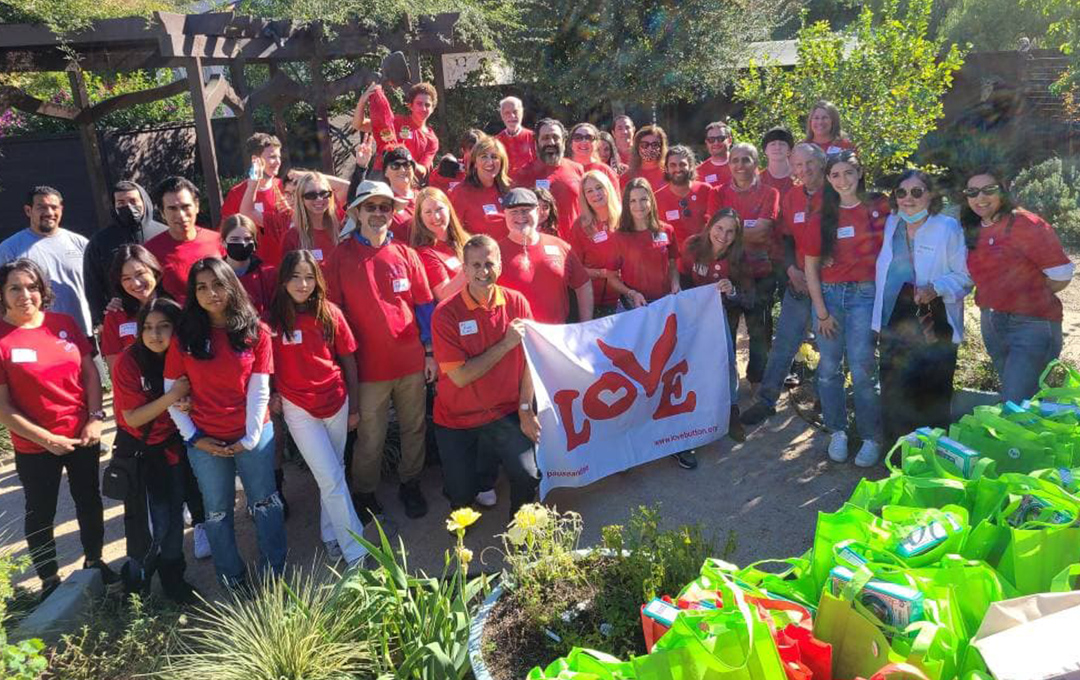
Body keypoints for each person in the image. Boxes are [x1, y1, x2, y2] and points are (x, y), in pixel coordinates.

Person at [164, 257, 285, 588]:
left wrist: (249, 439)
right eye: (201, 287)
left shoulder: (256, 331)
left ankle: (275, 570)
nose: (211, 293)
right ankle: (232, 577)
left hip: (253, 434)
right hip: (206, 439)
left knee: (264, 503)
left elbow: (260, 391)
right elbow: (171, 392)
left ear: (231, 285)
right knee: (217, 512)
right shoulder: (185, 337)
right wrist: (194, 439)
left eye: (218, 284)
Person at [0, 259, 112, 599]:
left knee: (89, 501)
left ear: (42, 290)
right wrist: (46, 439)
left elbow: (90, 373)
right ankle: (49, 580)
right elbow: (3, 408)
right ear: (2, 294)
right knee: (40, 511)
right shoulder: (2, 340)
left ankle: (94, 561)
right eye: (15, 288)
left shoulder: (62, 323)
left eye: (32, 287)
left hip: (82, 435)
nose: (25, 295)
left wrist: (95, 417)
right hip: (36, 445)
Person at [326, 180, 435, 521]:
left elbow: (424, 306)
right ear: (356, 212)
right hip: (368, 368)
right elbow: (332, 315)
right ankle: (364, 491)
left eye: (384, 207)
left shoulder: (406, 254)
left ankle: (410, 483)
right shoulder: (339, 257)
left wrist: (430, 351)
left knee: (413, 428)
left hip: (411, 362)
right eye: (370, 207)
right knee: (370, 436)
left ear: (392, 213)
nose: (377, 213)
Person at [267, 250, 368, 566]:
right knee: (331, 478)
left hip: (336, 402)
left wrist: (354, 407)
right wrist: (271, 394)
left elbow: (349, 360)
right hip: (298, 408)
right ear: (284, 279)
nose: (302, 283)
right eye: (295, 276)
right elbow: (263, 364)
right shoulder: (273, 320)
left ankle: (330, 534)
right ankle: (357, 550)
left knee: (333, 473)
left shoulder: (330, 313)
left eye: (309, 277)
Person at [432, 234, 541, 517]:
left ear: (501, 265)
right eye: (476, 265)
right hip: (457, 420)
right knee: (461, 496)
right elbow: (460, 377)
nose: (483, 271)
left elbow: (530, 360)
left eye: (489, 263)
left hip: (503, 413)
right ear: (464, 270)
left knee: (528, 476)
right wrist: (506, 344)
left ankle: (522, 533)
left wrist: (526, 408)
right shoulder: (446, 314)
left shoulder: (517, 302)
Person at [872, 170, 972, 445]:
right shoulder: (891, 223)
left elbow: (965, 277)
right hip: (895, 316)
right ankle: (897, 453)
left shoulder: (947, 227)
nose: (908, 198)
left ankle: (932, 455)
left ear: (930, 195)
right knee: (894, 386)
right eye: (901, 192)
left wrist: (936, 288)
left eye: (917, 192)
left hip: (933, 316)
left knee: (932, 389)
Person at [111, 297, 199, 603]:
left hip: (176, 450)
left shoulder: (184, 356)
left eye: (164, 327)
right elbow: (132, 417)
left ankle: (174, 580)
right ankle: (137, 586)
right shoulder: (128, 361)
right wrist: (174, 395)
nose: (155, 334)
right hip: (143, 456)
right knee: (149, 525)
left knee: (175, 518)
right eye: (147, 327)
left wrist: (188, 401)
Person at [803, 150, 887, 466]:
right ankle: (837, 430)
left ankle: (869, 437)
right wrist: (821, 311)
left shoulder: (878, 207)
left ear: (859, 172)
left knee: (863, 366)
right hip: (829, 296)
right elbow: (811, 267)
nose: (843, 180)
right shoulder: (821, 215)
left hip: (865, 295)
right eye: (835, 174)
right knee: (828, 367)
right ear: (828, 179)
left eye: (848, 172)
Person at [961, 168, 1074, 402]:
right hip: (992, 323)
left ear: (1002, 191)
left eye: (988, 190)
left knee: (1016, 400)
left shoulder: (1026, 224)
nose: (980, 198)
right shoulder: (972, 230)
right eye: (972, 192)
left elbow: (1061, 274)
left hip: (1031, 325)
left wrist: (1027, 295)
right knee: (1022, 401)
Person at [741, 143, 827, 426]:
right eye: (799, 165)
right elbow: (784, 239)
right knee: (783, 345)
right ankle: (766, 401)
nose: (804, 170)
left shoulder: (837, 194)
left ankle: (826, 403)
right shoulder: (791, 197)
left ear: (822, 163)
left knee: (830, 349)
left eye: (810, 163)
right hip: (799, 284)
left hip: (831, 288)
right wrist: (791, 269)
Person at [707, 143, 781, 394]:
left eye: (746, 160)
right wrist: (743, 233)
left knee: (759, 331)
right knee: (724, 333)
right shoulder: (716, 193)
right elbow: (714, 232)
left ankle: (757, 381)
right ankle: (727, 384)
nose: (740, 165)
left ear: (755, 163)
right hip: (726, 274)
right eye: (735, 160)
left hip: (760, 273)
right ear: (729, 165)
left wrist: (730, 232)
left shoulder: (770, 193)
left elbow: (763, 231)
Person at [678, 207, 751, 450]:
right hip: (692, 316)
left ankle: (731, 411)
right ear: (710, 226)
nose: (723, 235)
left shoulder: (739, 258)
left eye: (730, 232)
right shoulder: (693, 246)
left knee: (728, 362)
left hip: (722, 318)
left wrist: (731, 291)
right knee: (691, 364)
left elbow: (747, 297)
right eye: (720, 228)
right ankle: (694, 413)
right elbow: (679, 276)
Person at [0, 187, 92, 338]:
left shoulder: (80, 244)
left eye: (54, 207)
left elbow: (98, 285)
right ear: (28, 211)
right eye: (41, 207)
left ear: (61, 209)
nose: (49, 212)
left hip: (82, 333)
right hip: (35, 336)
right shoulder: (9, 249)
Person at [496, 188, 593, 323]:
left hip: (555, 337)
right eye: (514, 212)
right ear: (505, 214)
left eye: (525, 210)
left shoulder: (561, 247)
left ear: (537, 211)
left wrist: (585, 323)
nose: (520, 216)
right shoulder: (493, 253)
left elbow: (583, 284)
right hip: (514, 339)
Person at [83, 181, 168, 326]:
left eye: (133, 201)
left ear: (144, 201)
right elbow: (93, 286)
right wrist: (103, 319)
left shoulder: (165, 234)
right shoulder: (101, 241)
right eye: (121, 202)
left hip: (166, 311)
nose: (127, 206)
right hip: (124, 318)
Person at [145, 177, 223, 303]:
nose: (181, 215)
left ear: (197, 206)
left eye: (185, 206)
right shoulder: (150, 251)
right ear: (162, 212)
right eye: (172, 209)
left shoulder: (217, 240)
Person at [605, 178, 679, 309]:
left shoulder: (667, 230)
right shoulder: (618, 237)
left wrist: (675, 283)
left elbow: (673, 265)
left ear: (651, 200)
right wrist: (632, 294)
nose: (639, 206)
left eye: (643, 199)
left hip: (665, 302)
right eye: (633, 201)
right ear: (626, 204)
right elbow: (611, 278)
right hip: (634, 304)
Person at [512, 118, 585, 239]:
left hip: (574, 245)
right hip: (539, 247)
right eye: (545, 138)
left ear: (564, 140)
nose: (551, 142)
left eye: (555, 137)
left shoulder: (577, 169)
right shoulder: (522, 175)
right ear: (536, 142)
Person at [101, 244, 167, 374]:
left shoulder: (175, 307)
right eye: (126, 278)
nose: (136, 283)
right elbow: (115, 366)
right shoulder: (115, 315)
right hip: (136, 389)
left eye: (140, 274)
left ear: (154, 271)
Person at [353, 82, 439, 176]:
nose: (423, 108)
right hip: (381, 175)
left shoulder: (432, 139)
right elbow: (359, 125)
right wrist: (362, 100)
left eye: (427, 105)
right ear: (410, 105)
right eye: (419, 103)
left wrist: (405, 157)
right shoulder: (396, 121)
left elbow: (423, 170)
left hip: (405, 182)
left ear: (433, 108)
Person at [568, 171, 622, 317]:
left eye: (599, 187)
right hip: (595, 303)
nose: (595, 194)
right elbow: (574, 270)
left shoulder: (625, 218)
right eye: (589, 191)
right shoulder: (580, 226)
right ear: (584, 197)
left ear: (608, 188)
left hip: (626, 298)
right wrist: (602, 273)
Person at [413, 187, 470, 303]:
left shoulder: (466, 241)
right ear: (420, 217)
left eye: (439, 209)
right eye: (428, 212)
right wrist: (473, 265)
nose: (436, 217)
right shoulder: (425, 253)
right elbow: (443, 295)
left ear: (449, 209)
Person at [450, 134, 511, 240]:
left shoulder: (508, 190)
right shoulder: (461, 192)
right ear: (475, 163)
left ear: (501, 162)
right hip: (479, 254)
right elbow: (453, 232)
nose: (489, 162)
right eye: (484, 157)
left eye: (494, 157)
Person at [280, 171, 343, 270]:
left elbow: (348, 187)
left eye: (324, 193)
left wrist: (306, 174)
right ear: (301, 199)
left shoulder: (342, 228)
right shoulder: (292, 237)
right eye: (311, 195)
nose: (319, 199)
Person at [653, 145, 711, 248]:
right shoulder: (656, 198)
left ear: (691, 166)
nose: (678, 169)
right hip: (674, 259)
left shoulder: (706, 190)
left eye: (682, 164)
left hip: (705, 254)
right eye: (673, 165)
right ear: (666, 168)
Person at [222, 214, 277, 315]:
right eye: (235, 239)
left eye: (247, 239)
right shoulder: (215, 273)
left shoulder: (268, 274)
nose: (242, 244)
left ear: (255, 243)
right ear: (223, 242)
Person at [381, 146, 420, 242]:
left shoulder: (424, 197)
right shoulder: (380, 201)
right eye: (395, 165)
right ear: (386, 172)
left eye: (407, 165)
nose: (402, 170)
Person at [568, 123, 621, 192]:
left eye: (589, 138)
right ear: (571, 143)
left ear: (596, 144)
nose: (584, 141)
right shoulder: (563, 168)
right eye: (578, 137)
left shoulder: (606, 171)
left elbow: (615, 201)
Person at [429, 129, 482, 194]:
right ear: (463, 150)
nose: (475, 153)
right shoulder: (448, 166)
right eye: (471, 148)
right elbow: (433, 193)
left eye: (479, 149)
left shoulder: (487, 172)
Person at [495, 96, 536, 173]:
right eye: (507, 113)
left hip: (530, 183)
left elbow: (543, 168)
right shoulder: (496, 142)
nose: (512, 116)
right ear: (502, 116)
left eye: (515, 112)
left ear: (522, 113)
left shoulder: (534, 138)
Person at [624, 125, 668, 192]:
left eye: (655, 145)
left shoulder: (669, 173)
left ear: (661, 147)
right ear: (637, 148)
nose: (650, 148)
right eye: (644, 145)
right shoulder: (627, 176)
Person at [759, 127, 795, 199]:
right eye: (773, 144)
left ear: (789, 150)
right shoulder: (758, 180)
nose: (777, 147)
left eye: (782, 144)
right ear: (765, 150)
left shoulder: (799, 177)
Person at [696, 121, 734, 188]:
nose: (716, 143)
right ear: (706, 142)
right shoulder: (699, 172)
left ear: (729, 141)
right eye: (711, 139)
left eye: (720, 139)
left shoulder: (743, 164)